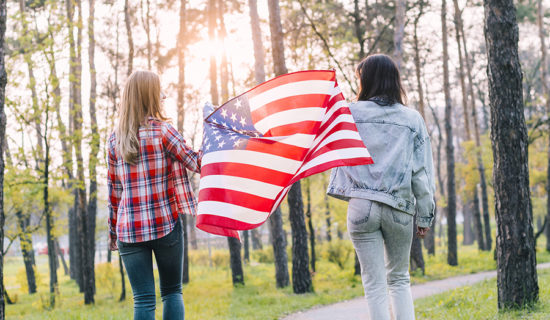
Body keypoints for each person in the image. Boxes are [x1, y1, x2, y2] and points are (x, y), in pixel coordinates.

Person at [327, 54, 435, 320]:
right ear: (393, 80)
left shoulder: (348, 114)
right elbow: (421, 173)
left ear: (367, 80)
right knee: (399, 280)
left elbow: (320, 144)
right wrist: (424, 215)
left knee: (374, 284)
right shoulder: (412, 120)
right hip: (399, 207)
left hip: (361, 205)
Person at [107, 70, 201, 320]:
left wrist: (114, 233)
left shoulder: (116, 139)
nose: (164, 95)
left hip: (128, 230)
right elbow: (196, 162)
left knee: (143, 300)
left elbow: (114, 192)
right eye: (159, 90)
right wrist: (220, 142)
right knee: (172, 292)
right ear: (150, 95)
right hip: (165, 225)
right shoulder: (164, 132)